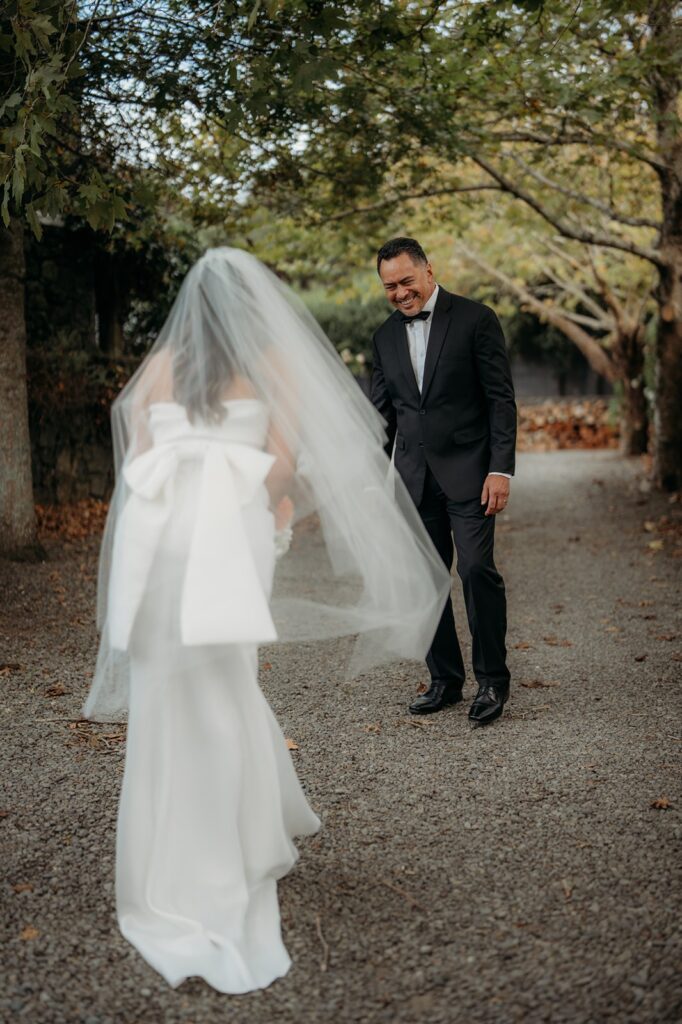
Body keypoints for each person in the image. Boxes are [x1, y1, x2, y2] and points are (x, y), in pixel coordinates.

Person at [83, 246, 451, 993]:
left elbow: (137, 462)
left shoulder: (159, 371)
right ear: (252, 312)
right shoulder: (272, 364)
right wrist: (265, 497)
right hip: (227, 537)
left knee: (168, 690)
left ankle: (176, 852)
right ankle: (239, 841)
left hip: (164, 541)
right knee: (226, 678)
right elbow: (282, 464)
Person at [371, 237, 517, 725]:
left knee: (476, 571)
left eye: (406, 281)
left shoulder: (476, 319)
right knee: (427, 582)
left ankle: (493, 681)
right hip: (413, 480)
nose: (399, 293)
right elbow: (382, 415)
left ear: (429, 271)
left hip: (472, 475)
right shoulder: (383, 337)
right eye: (389, 286)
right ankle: (446, 680)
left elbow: (500, 399)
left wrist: (501, 468)